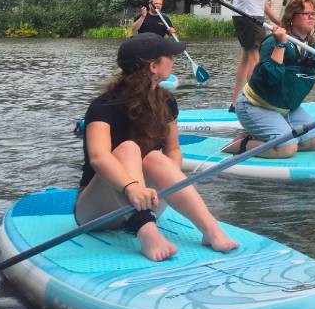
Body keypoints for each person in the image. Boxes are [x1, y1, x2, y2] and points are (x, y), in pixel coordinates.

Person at [77, 33, 240, 261]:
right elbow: (98, 157)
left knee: (156, 158)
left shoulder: (167, 102)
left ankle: (210, 230)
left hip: (149, 201)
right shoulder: (103, 106)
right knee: (128, 149)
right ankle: (147, 233)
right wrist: (131, 188)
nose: (174, 60)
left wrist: (168, 182)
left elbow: (173, 151)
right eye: (169, 56)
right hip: (98, 211)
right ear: (154, 66)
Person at [222, 0, 315, 157]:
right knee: (286, 149)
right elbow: (269, 78)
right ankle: (241, 143)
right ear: (292, 18)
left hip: (286, 109)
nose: (311, 17)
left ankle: (268, 138)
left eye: (314, 14)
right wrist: (280, 44)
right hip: (255, 106)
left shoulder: (312, 47)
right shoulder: (272, 42)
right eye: (306, 13)